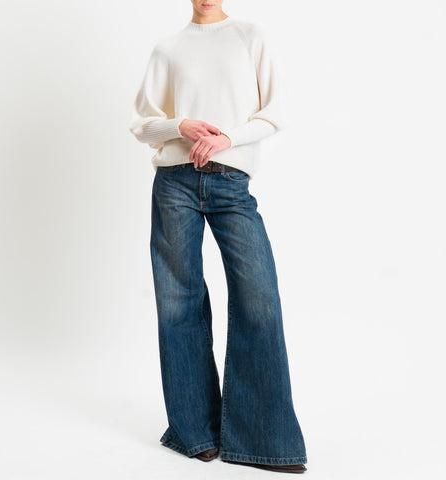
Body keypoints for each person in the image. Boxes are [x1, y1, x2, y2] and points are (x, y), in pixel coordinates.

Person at [128, 0, 308, 473]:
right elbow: (142, 123)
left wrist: (227, 138)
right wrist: (179, 125)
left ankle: (264, 441)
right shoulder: (168, 48)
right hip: (174, 183)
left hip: (231, 181)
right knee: (178, 303)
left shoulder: (250, 36)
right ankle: (195, 433)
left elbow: (275, 112)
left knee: (258, 299)